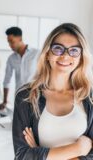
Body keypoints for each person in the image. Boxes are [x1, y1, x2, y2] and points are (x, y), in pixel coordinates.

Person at [12, 23, 93, 160]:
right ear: (47, 53)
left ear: (81, 57)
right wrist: (77, 149)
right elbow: (22, 155)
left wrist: (39, 152)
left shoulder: (89, 96)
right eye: (58, 49)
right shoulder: (25, 96)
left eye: (74, 50)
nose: (65, 56)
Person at [0, 27, 39, 110]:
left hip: (35, 96)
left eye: (12, 42)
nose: (10, 45)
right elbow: (7, 80)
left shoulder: (37, 53)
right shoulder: (11, 58)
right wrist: (5, 101)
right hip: (19, 97)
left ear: (20, 38)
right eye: (8, 42)